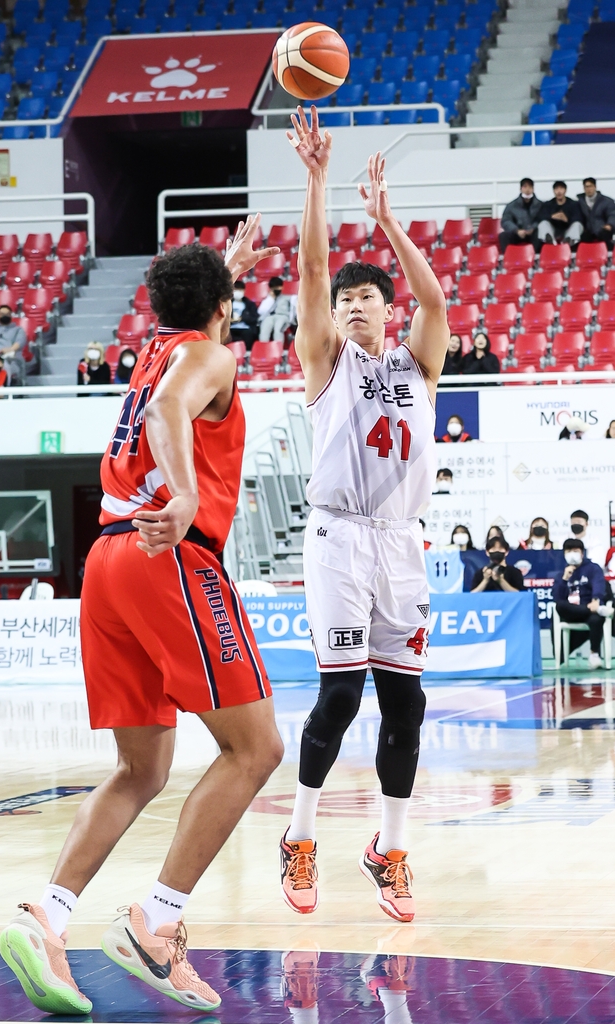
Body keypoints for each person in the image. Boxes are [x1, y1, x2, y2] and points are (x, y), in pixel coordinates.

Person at [0, 217, 284, 1015]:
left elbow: (178, 353)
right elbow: (167, 411)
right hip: (168, 555)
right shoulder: (206, 356)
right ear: (224, 307)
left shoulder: (158, 344)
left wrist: (220, 269)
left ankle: (47, 919)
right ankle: (155, 923)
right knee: (255, 749)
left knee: (143, 768)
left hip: (107, 564)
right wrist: (187, 496)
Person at [279, 107, 449, 925]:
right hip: (339, 538)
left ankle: (389, 850)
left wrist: (386, 222)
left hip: (401, 546)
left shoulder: (417, 365)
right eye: (344, 300)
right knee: (340, 697)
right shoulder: (326, 360)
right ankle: (300, 837)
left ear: (386, 311)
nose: (351, 306)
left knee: (406, 706)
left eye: (364, 299)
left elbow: (436, 299)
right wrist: (316, 184)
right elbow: (310, 272)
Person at [552, 538, 608, 669]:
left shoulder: (593, 568)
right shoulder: (561, 574)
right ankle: (598, 609)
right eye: (569, 551)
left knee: (596, 618)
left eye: (575, 551)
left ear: (582, 553)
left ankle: (594, 655)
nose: (572, 553)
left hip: (589, 609)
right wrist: (565, 579)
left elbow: (598, 585)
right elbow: (557, 597)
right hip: (572, 611)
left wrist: (596, 599)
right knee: (560, 606)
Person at [499, 178, 542, 254]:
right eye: (525, 187)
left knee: (539, 234)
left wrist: (533, 228)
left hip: (533, 233)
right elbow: (506, 220)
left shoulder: (540, 205)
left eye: (530, 187)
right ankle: (507, 257)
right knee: (504, 236)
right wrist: (516, 230)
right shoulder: (512, 206)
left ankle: (535, 258)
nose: (527, 190)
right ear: (520, 189)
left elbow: (542, 219)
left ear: (533, 189)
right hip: (517, 233)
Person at [537, 181, 583, 248]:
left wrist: (567, 219)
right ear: (553, 191)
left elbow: (579, 218)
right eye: (556, 189)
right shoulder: (548, 204)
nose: (559, 191)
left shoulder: (573, 204)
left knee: (578, 225)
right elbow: (540, 217)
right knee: (543, 224)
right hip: (553, 231)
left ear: (565, 190)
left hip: (568, 230)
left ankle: (567, 242)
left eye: (561, 189)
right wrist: (552, 217)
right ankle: (550, 242)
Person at [576, 177, 615, 247]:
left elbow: (612, 214)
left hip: (602, 229)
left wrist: (610, 224)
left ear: (595, 187)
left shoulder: (607, 201)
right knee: (582, 240)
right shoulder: (579, 202)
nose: (588, 189)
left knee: (605, 237)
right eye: (586, 187)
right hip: (587, 230)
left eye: (590, 186)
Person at [258, 276, 292, 341]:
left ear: (282, 287)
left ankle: (278, 348)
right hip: (270, 316)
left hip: (283, 316)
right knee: (264, 327)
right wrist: (271, 298)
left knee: (278, 328)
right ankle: (263, 347)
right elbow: (261, 311)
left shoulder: (287, 298)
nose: (277, 289)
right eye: (274, 288)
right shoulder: (268, 299)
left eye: (278, 287)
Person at [230, 278, 259, 347]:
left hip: (245, 328)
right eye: (236, 290)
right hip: (231, 328)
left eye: (240, 290)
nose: (238, 292)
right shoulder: (228, 304)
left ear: (244, 291)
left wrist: (242, 318)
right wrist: (230, 320)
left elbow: (254, 318)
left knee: (248, 334)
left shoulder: (250, 304)